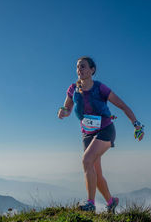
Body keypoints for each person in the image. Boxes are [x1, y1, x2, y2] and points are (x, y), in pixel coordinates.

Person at [58, 56, 145, 213]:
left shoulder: (100, 88)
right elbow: (67, 109)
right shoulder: (73, 89)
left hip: (105, 130)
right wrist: (62, 112)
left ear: (92, 70)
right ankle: (111, 201)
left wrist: (136, 125)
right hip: (87, 134)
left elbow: (123, 105)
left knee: (86, 161)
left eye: (83, 66)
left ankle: (90, 203)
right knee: (96, 173)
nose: (79, 70)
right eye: (78, 67)